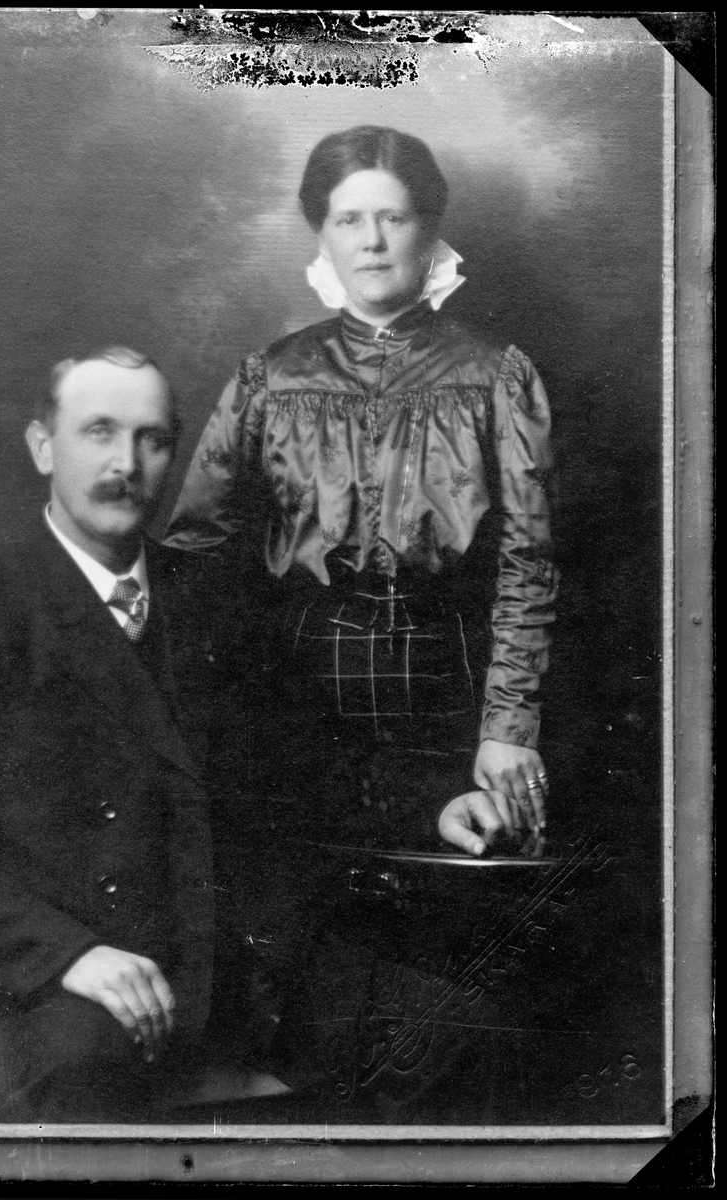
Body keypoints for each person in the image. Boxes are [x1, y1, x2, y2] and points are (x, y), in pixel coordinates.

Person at [165, 127, 558, 1069]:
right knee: (299, 938)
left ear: (430, 229)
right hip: (298, 689)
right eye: (350, 220)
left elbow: (529, 560)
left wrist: (508, 725)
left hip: (448, 684)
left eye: (394, 217)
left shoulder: (496, 375)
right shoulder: (270, 377)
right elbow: (195, 553)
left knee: (449, 934)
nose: (373, 241)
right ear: (322, 234)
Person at [0, 348, 222, 1123]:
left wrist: (440, 803)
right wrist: (70, 955)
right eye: (98, 432)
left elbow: (308, 771)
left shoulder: (216, 599)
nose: (126, 465)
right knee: (82, 1072)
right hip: (58, 978)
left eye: (151, 440)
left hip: (218, 969)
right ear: (44, 447)